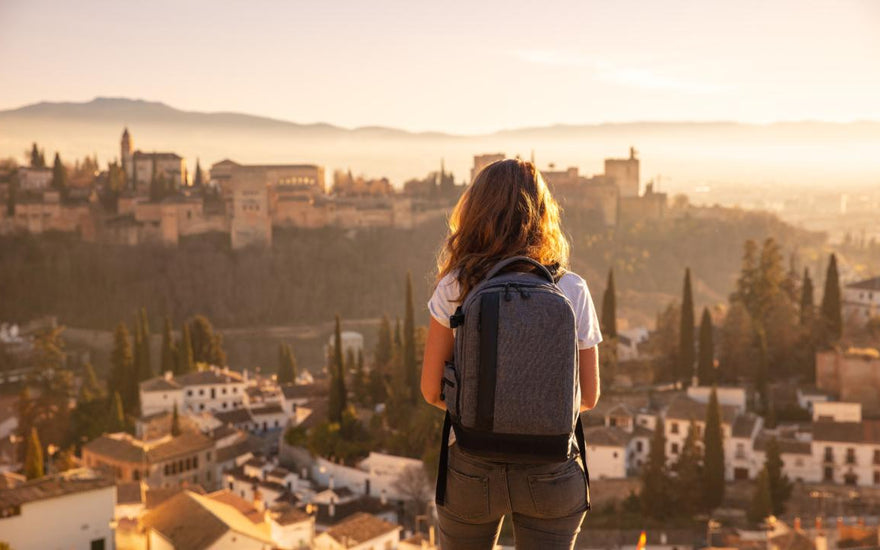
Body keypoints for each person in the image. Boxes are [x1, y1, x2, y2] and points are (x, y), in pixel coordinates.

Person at [420, 158, 602, 550]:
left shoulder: (456, 285)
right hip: (552, 471)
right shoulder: (571, 289)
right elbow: (587, 398)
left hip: (472, 465)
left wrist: (486, 416)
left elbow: (432, 390)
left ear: (475, 211)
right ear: (543, 214)